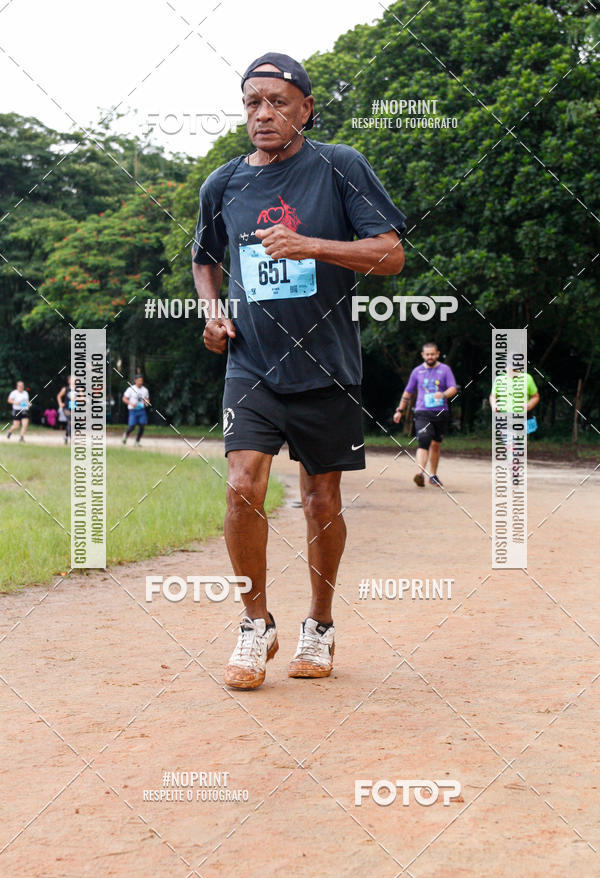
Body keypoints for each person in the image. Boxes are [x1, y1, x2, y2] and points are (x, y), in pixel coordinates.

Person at [193, 52, 406, 690]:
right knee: (241, 486)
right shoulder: (222, 184)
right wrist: (213, 312)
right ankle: (254, 624)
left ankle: (319, 624)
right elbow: (205, 257)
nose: (264, 114)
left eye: (278, 102)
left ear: (306, 108)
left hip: (327, 365)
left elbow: (391, 255)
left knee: (321, 500)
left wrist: (310, 243)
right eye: (252, 102)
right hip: (251, 363)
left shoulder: (340, 166)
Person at [393, 343, 457, 487]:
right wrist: (400, 410)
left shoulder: (445, 370)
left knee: (435, 444)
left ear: (438, 354)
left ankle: (432, 475)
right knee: (424, 439)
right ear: (423, 355)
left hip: (441, 412)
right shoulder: (417, 371)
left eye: (432, 354)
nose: (430, 357)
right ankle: (420, 473)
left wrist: (443, 394)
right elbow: (408, 391)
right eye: (427, 354)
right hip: (422, 412)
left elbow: (453, 388)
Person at [489, 369, 539, 436]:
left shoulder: (527, 378)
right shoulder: (499, 379)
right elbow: (493, 396)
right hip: (505, 417)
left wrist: (529, 405)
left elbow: (535, 396)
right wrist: (494, 405)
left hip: (523, 417)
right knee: (509, 444)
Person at [122, 374, 150, 446]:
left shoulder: (145, 390)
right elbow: (124, 398)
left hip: (141, 410)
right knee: (132, 427)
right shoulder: (130, 389)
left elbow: (147, 399)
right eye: (138, 381)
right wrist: (130, 403)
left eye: (141, 381)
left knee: (142, 425)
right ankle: (126, 435)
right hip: (133, 410)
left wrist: (147, 402)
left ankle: (137, 441)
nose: (140, 382)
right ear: (135, 381)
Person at [57, 375, 74, 445]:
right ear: (69, 381)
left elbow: (82, 398)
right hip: (66, 408)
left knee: (71, 422)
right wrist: (60, 403)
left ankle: (66, 436)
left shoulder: (79, 389)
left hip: (74, 408)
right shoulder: (65, 389)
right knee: (70, 420)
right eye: (72, 379)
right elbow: (59, 396)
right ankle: (71, 437)